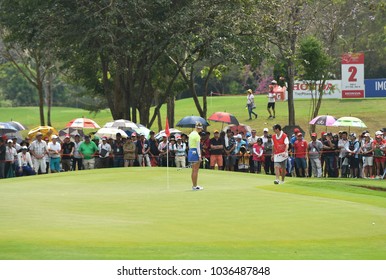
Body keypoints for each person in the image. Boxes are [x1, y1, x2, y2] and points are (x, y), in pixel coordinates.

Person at [188, 122, 204, 190]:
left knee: (193, 170)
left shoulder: (191, 134)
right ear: (199, 128)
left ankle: (194, 185)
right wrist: (200, 156)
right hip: (195, 152)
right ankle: (195, 186)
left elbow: (189, 145)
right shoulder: (197, 135)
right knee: (195, 170)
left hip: (191, 152)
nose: (201, 130)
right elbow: (198, 147)